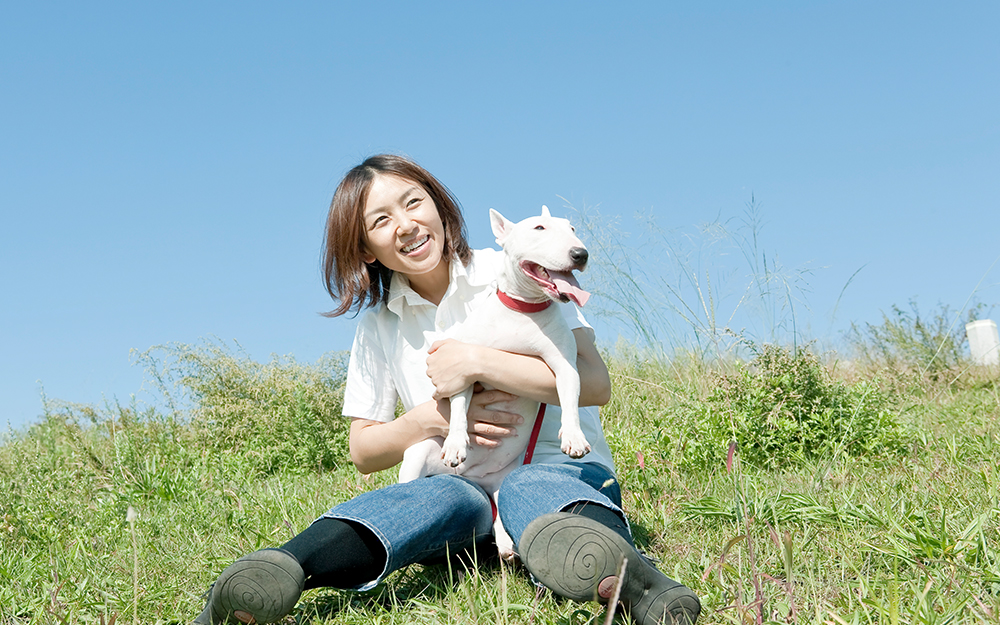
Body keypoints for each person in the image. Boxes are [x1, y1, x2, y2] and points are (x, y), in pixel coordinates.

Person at [193, 154, 701, 625]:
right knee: (430, 496)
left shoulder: (523, 264)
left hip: (558, 469)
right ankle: (277, 573)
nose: (406, 224)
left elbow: (595, 383)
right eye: (380, 220)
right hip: (465, 500)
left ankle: (638, 584)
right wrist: (430, 419)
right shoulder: (378, 327)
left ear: (438, 204)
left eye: (414, 202)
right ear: (365, 249)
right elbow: (365, 451)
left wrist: (479, 361)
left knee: (529, 486)